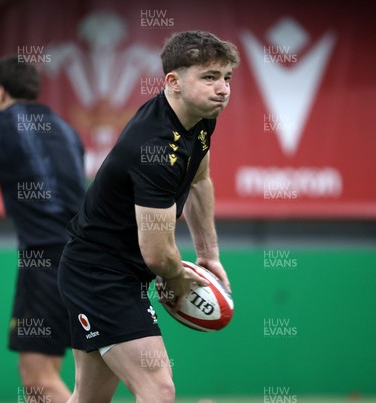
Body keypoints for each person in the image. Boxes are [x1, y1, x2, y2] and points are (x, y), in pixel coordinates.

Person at [58, 31, 239, 402]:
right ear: (173, 81)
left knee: (89, 398)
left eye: (226, 78)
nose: (222, 89)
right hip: (100, 276)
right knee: (158, 389)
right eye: (209, 77)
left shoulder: (199, 118)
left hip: (109, 271)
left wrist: (209, 255)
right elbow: (158, 254)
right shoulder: (155, 148)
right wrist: (178, 281)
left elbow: (200, 181)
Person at [0, 55, 85, 402]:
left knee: (37, 380)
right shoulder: (66, 129)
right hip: (89, 258)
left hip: (45, 259)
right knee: (50, 381)